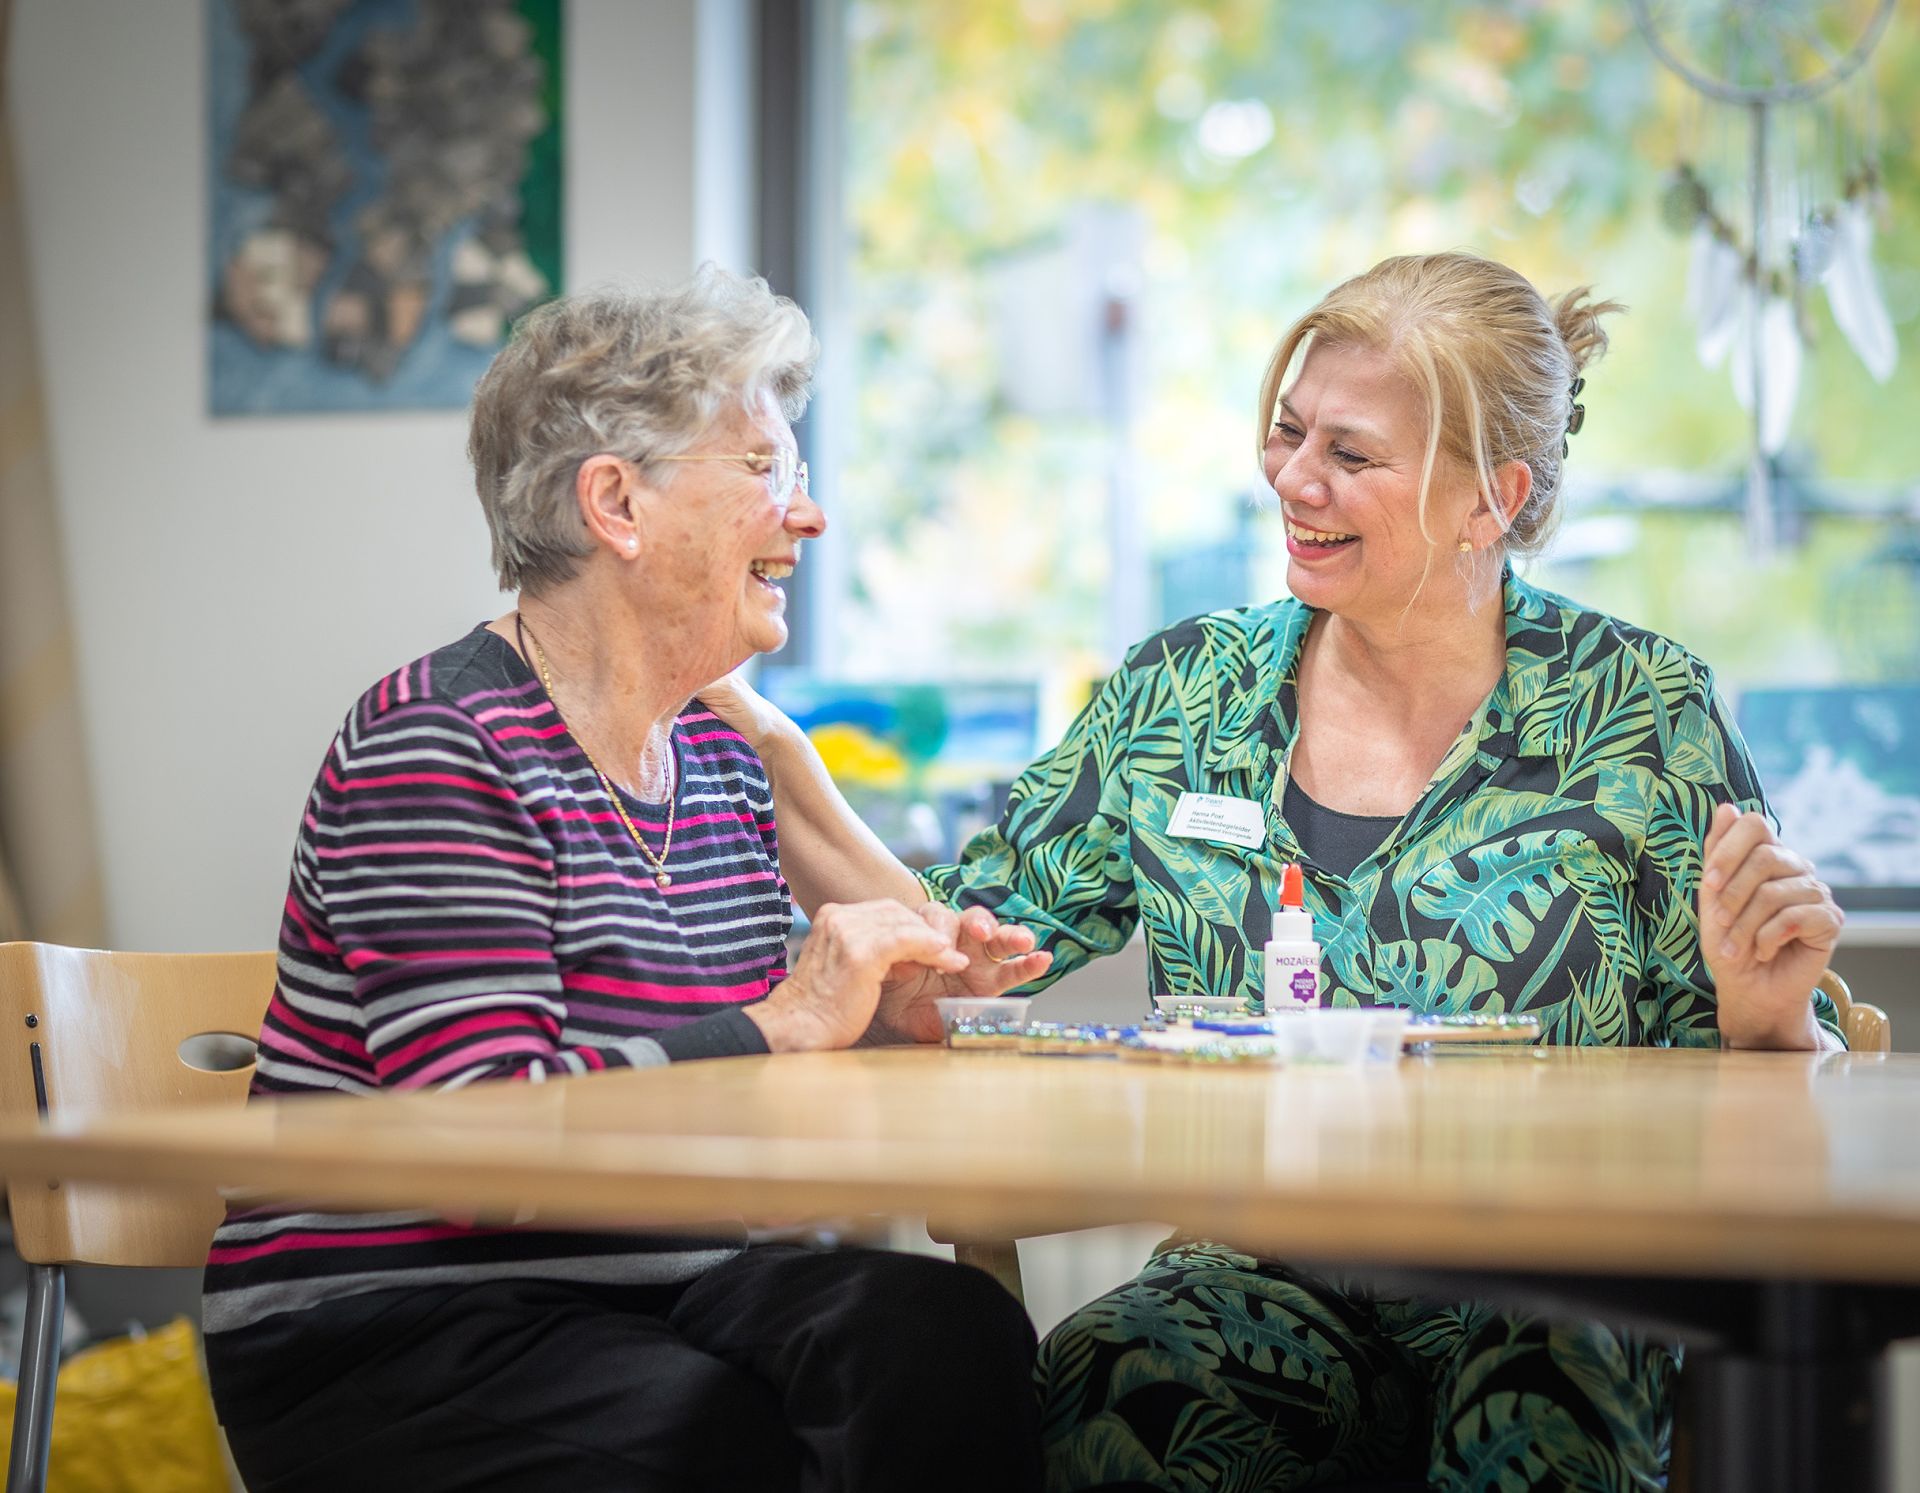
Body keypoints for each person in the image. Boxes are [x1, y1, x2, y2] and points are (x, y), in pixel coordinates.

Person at [705, 251, 1846, 1491]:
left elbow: (1772, 1109)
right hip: (1268, 1277)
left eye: (1350, 455)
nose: (1292, 479)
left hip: (1560, 1276)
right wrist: (777, 756)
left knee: (1540, 1412)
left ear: (1491, 500)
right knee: (1118, 1380)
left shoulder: (1641, 708)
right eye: (1289, 431)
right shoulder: (1185, 693)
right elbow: (951, 941)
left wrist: (1770, 1017)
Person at [201, 267, 1049, 1493]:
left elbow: (741, 1064)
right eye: (765, 469)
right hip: (396, 1328)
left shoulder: (712, 752)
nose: (804, 518)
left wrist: (887, 1017)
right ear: (617, 502)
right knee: (719, 1442)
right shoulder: (438, 740)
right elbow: (483, 1148)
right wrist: (786, 1019)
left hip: (670, 1285)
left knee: (944, 1336)